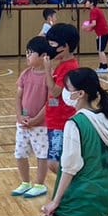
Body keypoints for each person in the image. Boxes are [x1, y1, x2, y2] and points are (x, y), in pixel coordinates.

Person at [20, 67, 108, 216]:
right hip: (107, 196)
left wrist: (55, 202)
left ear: (80, 93)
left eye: (68, 88)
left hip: (85, 201)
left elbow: (70, 168)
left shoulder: (75, 124)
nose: (63, 92)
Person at [12, 35, 51, 199]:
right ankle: (25, 182)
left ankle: (40, 184)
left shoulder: (50, 76)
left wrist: (36, 120)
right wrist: (19, 116)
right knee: (20, 153)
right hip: (23, 123)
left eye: (31, 53)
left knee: (42, 155)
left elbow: (49, 102)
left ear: (43, 56)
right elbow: (18, 96)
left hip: (41, 125)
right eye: (27, 53)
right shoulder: (25, 74)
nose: (27, 56)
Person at [43, 22, 80, 175]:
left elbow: (55, 91)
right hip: (54, 119)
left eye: (52, 44)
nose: (49, 48)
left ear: (64, 46)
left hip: (62, 122)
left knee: (54, 162)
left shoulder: (69, 67)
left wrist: (46, 69)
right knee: (56, 162)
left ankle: (71, 189)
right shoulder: (61, 64)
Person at [81, 0, 108, 75]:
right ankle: (101, 66)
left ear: (91, 3)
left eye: (87, 1)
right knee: (99, 50)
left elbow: (93, 24)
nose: (85, 3)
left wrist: (85, 27)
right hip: (101, 33)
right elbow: (95, 25)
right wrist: (88, 29)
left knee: (101, 51)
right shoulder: (95, 10)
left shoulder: (94, 11)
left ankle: (105, 67)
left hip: (102, 33)